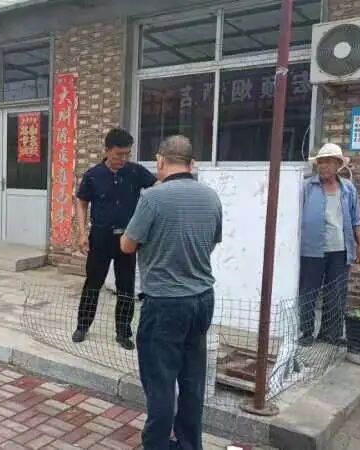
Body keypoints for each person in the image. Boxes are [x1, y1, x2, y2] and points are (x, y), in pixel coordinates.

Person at [121, 135, 222, 450]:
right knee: (192, 380)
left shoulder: (152, 198)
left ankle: (156, 445)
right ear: (191, 164)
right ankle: (190, 444)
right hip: (202, 299)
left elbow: (128, 245)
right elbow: (212, 241)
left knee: (160, 381)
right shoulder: (211, 197)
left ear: (161, 160)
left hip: (164, 303)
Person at [72, 128, 158, 350]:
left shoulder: (136, 172)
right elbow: (82, 202)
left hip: (128, 239)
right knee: (93, 283)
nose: (123, 158)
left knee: (126, 287)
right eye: (119, 154)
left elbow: (158, 187)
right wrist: (82, 233)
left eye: (127, 153)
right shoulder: (93, 175)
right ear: (108, 150)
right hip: (100, 237)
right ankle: (82, 325)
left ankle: (123, 332)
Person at [298, 143, 360, 347]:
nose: (323, 166)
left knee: (336, 292)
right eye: (320, 162)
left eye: (328, 162)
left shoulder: (348, 188)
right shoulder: (306, 187)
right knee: (309, 291)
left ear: (337, 164)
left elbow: (356, 219)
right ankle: (306, 332)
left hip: (340, 250)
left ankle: (331, 334)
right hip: (312, 249)